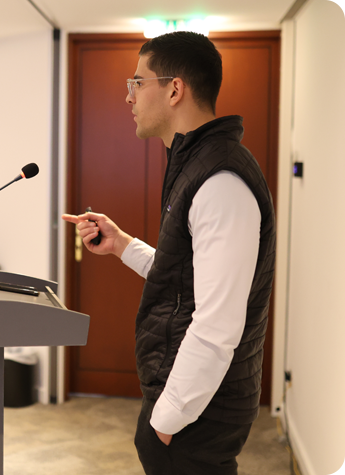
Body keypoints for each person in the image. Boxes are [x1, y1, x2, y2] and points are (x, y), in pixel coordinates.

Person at [62, 31, 275, 475]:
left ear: (175, 89)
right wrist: (122, 244)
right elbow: (187, 278)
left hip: (197, 411)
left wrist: (166, 419)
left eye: (137, 82)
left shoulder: (220, 181)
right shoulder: (197, 163)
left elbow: (218, 323)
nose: (129, 96)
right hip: (188, 397)